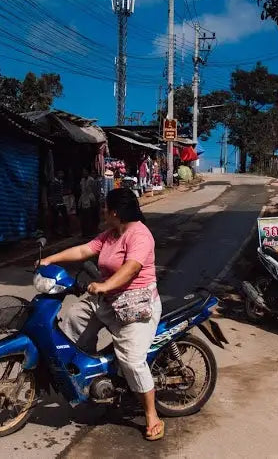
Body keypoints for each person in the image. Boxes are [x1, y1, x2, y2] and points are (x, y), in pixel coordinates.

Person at [39, 188, 164, 441]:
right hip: (106, 300)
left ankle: (151, 415)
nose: (103, 211)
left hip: (135, 304)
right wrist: (51, 259)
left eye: (106, 208)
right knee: (72, 319)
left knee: (131, 359)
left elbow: (131, 269)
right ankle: (89, 374)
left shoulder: (140, 235)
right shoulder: (110, 234)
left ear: (115, 212)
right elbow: (84, 250)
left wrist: (105, 285)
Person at [78, 167, 99, 238]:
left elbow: (94, 190)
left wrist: (94, 200)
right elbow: (82, 191)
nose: (84, 173)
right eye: (83, 172)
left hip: (90, 199)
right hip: (83, 199)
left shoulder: (91, 180)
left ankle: (90, 232)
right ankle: (84, 232)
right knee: (83, 217)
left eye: (85, 171)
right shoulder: (82, 180)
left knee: (89, 217)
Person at [47, 170, 69, 236]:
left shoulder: (61, 182)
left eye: (62, 173)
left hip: (61, 201)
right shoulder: (53, 183)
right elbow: (51, 193)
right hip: (56, 202)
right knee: (55, 218)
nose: (62, 175)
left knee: (64, 217)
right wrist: (53, 203)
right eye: (61, 173)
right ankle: (54, 233)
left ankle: (65, 232)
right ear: (57, 174)